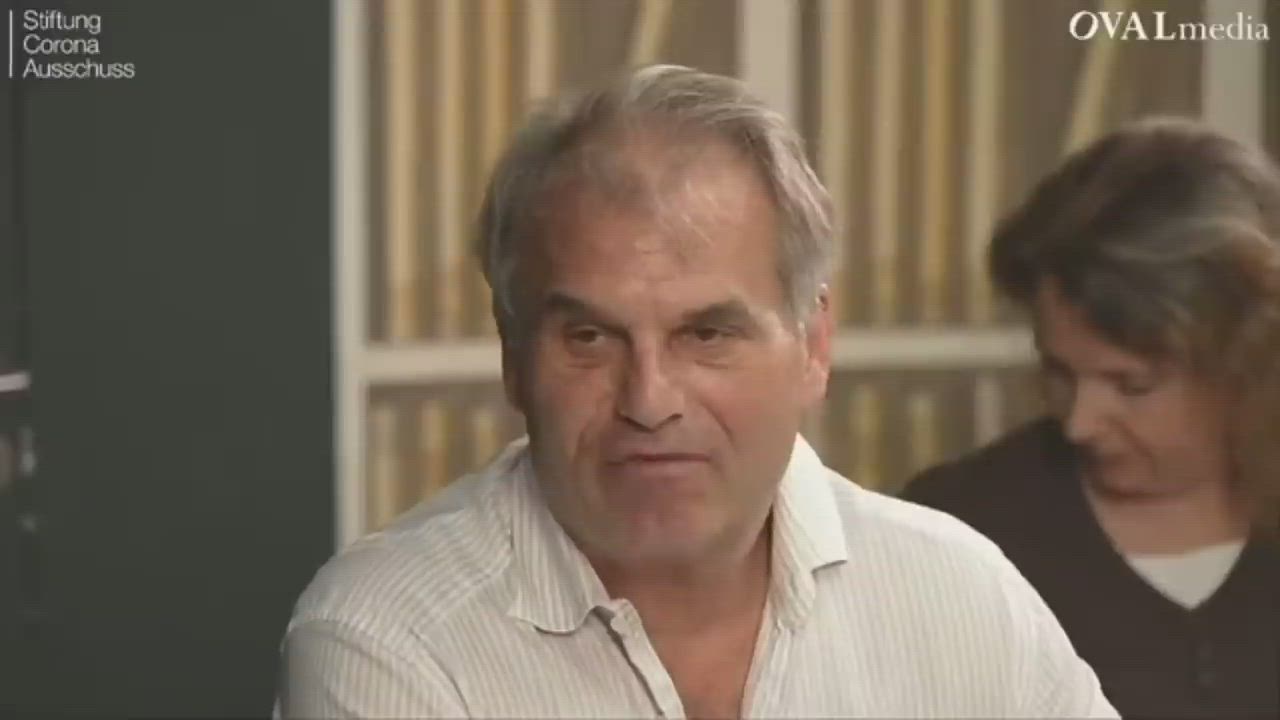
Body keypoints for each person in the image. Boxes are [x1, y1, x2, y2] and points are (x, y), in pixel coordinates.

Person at [276, 65, 1116, 718]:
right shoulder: (388, 637)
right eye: (589, 338)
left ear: (813, 343)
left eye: (706, 334)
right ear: (513, 356)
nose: (649, 401)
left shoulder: (961, 596)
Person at [903, 117, 1280, 719]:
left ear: (1248, 361)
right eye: (1059, 373)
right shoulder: (957, 529)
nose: (1080, 424)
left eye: (1132, 385)